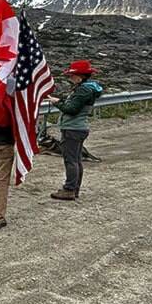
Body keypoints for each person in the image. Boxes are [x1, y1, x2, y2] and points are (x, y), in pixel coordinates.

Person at [46, 60, 103, 200]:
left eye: (72, 75)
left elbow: (71, 109)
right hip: (79, 128)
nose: (70, 78)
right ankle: (74, 189)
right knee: (76, 160)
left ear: (79, 76)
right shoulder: (87, 89)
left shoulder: (83, 90)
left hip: (72, 128)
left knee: (70, 160)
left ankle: (69, 189)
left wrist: (57, 102)